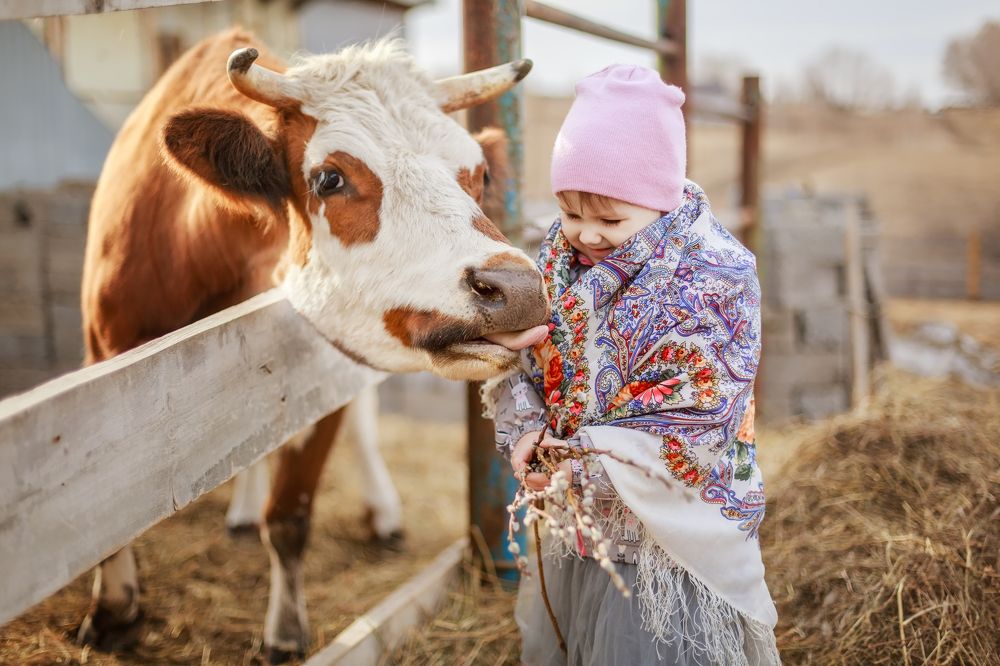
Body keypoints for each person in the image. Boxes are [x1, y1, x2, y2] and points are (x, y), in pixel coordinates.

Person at [487, 64, 779, 665]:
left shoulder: (712, 278)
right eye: (570, 211)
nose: (586, 233)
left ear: (660, 197)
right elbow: (523, 361)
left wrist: (573, 462)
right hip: (584, 525)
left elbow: (693, 416)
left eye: (610, 219)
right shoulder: (559, 255)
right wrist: (525, 430)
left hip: (667, 542)